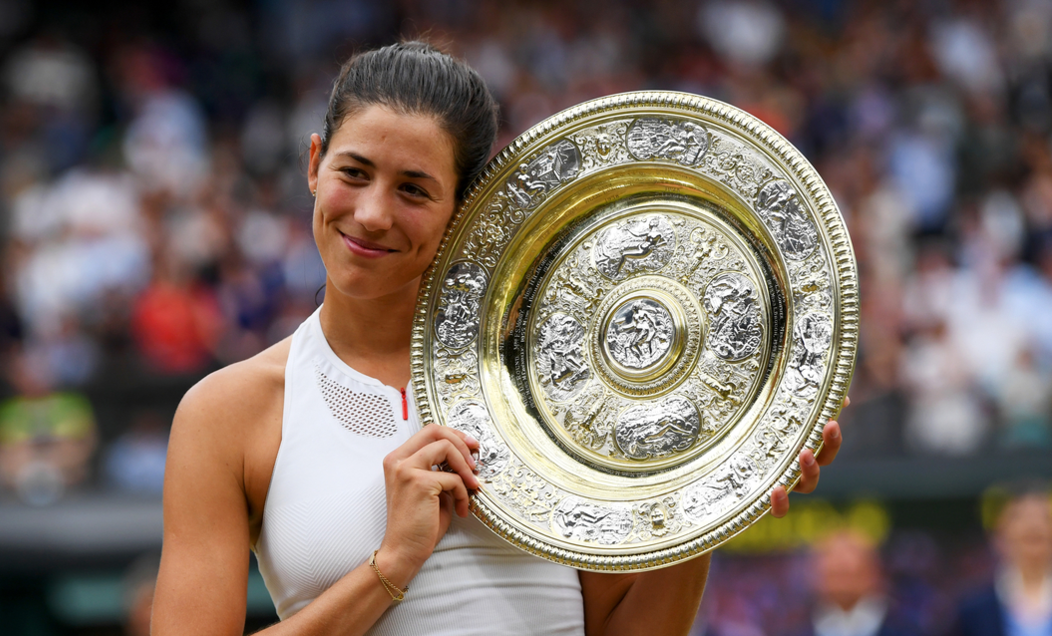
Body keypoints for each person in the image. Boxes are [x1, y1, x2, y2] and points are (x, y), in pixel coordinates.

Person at [150, 41, 846, 636]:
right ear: (313, 163)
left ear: (465, 208)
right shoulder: (228, 414)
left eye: (414, 190)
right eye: (353, 173)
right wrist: (390, 566)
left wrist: (710, 492)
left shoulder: (560, 387)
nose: (372, 214)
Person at [950, 488, 1052, 636]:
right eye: (1019, 516)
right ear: (1000, 535)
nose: (1033, 525)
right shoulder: (973, 609)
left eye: (1045, 517)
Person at [791, 529, 922, 636]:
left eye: (849, 573)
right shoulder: (795, 630)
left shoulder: (907, 629)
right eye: (835, 575)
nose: (841, 562)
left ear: (875, 572)